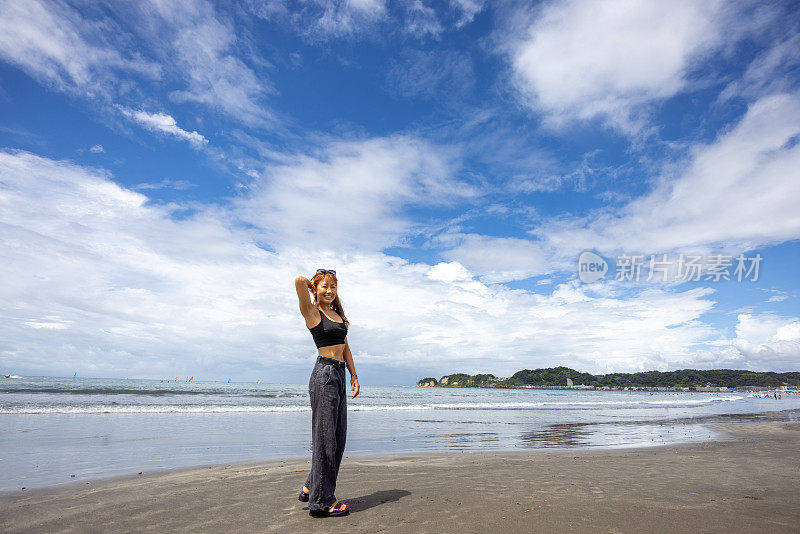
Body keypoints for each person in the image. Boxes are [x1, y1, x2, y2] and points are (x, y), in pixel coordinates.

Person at [294, 269, 360, 517]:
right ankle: (321, 503)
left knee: (337, 439)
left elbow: (346, 347)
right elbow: (298, 281)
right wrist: (313, 286)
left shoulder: (337, 315)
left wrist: (353, 375)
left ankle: (311, 487)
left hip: (339, 375)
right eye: (325, 287)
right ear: (316, 289)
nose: (330, 291)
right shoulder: (312, 312)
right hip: (324, 376)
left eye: (333, 287)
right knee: (326, 441)